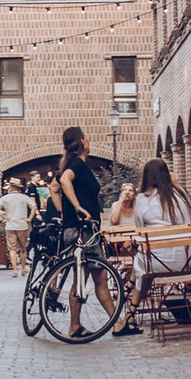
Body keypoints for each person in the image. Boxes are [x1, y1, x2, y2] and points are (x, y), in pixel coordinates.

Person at [106, 156, 191, 337]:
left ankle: (128, 304)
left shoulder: (143, 200)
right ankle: (129, 308)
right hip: (185, 260)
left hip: (156, 262)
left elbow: (140, 230)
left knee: (143, 266)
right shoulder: (181, 195)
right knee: (145, 263)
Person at [56, 126, 118, 340]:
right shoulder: (77, 165)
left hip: (76, 228)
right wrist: (77, 207)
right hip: (83, 230)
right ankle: (118, 323)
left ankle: (76, 326)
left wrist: (67, 211)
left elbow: (56, 188)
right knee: (99, 277)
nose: (89, 139)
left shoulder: (72, 163)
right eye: (86, 136)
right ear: (81, 141)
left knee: (81, 278)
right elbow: (63, 181)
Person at [0, 177, 35, 277]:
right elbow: (33, 207)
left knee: (12, 249)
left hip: (10, 226)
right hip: (22, 225)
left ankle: (15, 270)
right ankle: (23, 269)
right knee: (23, 249)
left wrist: (1, 220)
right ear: (19, 188)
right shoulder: (24, 197)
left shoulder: (5, 198)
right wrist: (29, 219)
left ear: (11, 187)